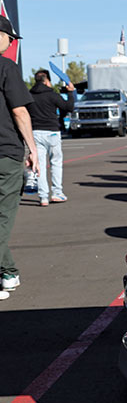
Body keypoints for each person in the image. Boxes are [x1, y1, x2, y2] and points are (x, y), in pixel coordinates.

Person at [0, 17, 38, 299]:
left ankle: (8, 272)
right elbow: (19, 112)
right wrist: (32, 149)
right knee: (2, 217)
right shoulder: (6, 67)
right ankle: (6, 273)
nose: (12, 43)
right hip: (5, 154)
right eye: (10, 38)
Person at [29, 69, 75, 206]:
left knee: (40, 166)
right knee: (55, 162)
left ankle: (43, 197)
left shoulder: (29, 95)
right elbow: (68, 107)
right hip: (52, 132)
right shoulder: (52, 95)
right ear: (47, 80)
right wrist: (70, 92)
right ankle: (57, 193)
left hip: (36, 132)